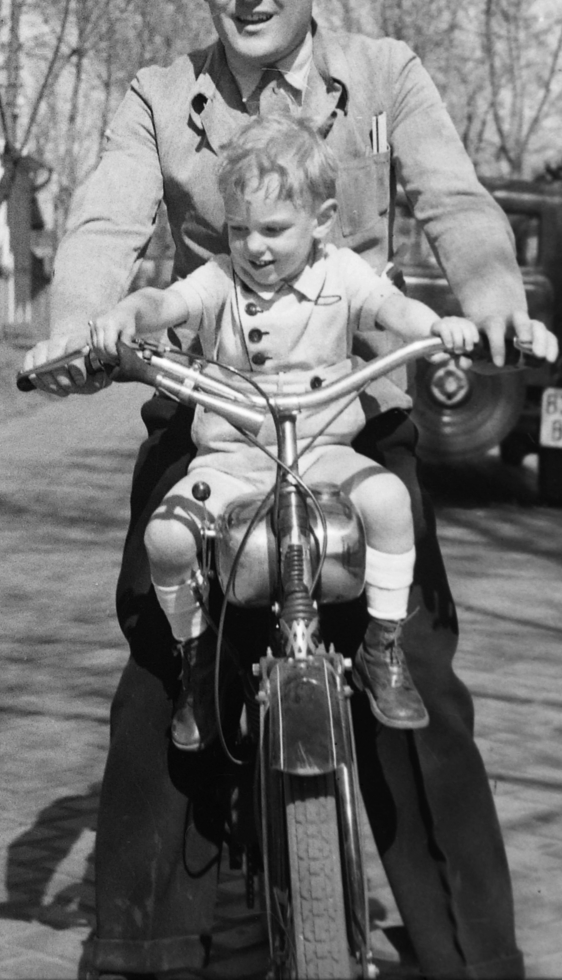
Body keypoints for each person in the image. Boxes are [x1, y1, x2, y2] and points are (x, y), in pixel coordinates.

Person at [23, 0, 552, 979]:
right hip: (210, 421)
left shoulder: (383, 75)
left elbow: (453, 198)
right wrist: (78, 329)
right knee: (160, 664)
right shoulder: (159, 97)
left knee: (419, 682)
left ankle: (466, 956)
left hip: (348, 420)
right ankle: (153, 949)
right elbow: (104, 224)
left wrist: (491, 292)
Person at [88, 113, 481, 748]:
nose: (254, 247)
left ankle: (383, 646)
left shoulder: (342, 271)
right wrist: (131, 311)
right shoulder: (222, 278)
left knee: (388, 500)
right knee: (165, 538)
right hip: (231, 458)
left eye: (274, 230)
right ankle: (192, 656)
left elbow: (391, 308)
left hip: (323, 450)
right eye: (240, 229)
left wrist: (436, 327)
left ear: (322, 221)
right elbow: (167, 303)